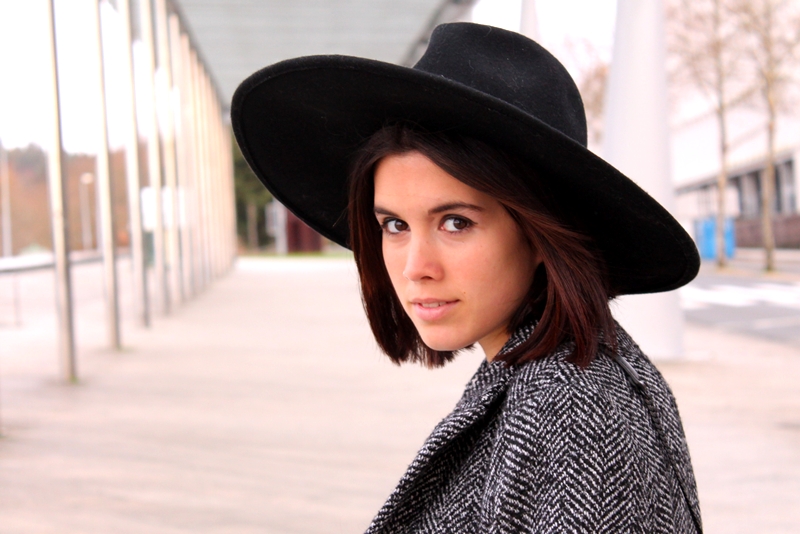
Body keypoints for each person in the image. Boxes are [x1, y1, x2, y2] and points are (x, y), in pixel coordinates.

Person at [232, 22, 702, 533]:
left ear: (540, 234)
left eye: (455, 223)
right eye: (395, 225)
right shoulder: (546, 375)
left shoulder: (571, 414)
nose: (416, 267)